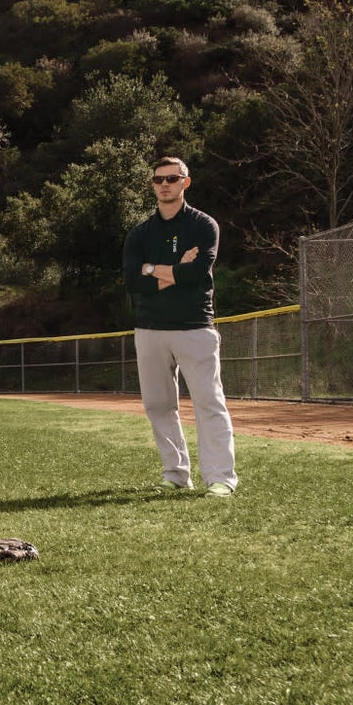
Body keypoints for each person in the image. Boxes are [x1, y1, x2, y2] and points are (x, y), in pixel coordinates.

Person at [122, 155, 238, 497]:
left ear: (185, 182)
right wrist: (173, 269)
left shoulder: (204, 226)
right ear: (153, 185)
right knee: (158, 406)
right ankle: (175, 474)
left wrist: (151, 269)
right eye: (159, 180)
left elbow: (197, 273)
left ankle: (221, 479)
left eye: (172, 178)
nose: (165, 185)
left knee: (208, 403)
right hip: (149, 329)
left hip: (194, 327)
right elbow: (132, 280)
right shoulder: (140, 233)